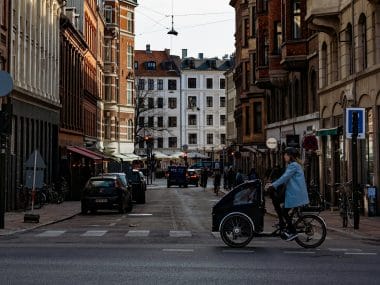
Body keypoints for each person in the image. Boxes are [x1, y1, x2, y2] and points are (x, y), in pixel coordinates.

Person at [265, 147, 309, 241]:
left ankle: (292, 232)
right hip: (294, 192)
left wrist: (273, 185)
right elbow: (284, 178)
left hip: (295, 194)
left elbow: (284, 177)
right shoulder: (295, 165)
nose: (284, 156)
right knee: (276, 200)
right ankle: (282, 222)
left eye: (285, 155)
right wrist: (272, 184)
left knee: (284, 211)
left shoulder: (293, 165)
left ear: (290, 156)